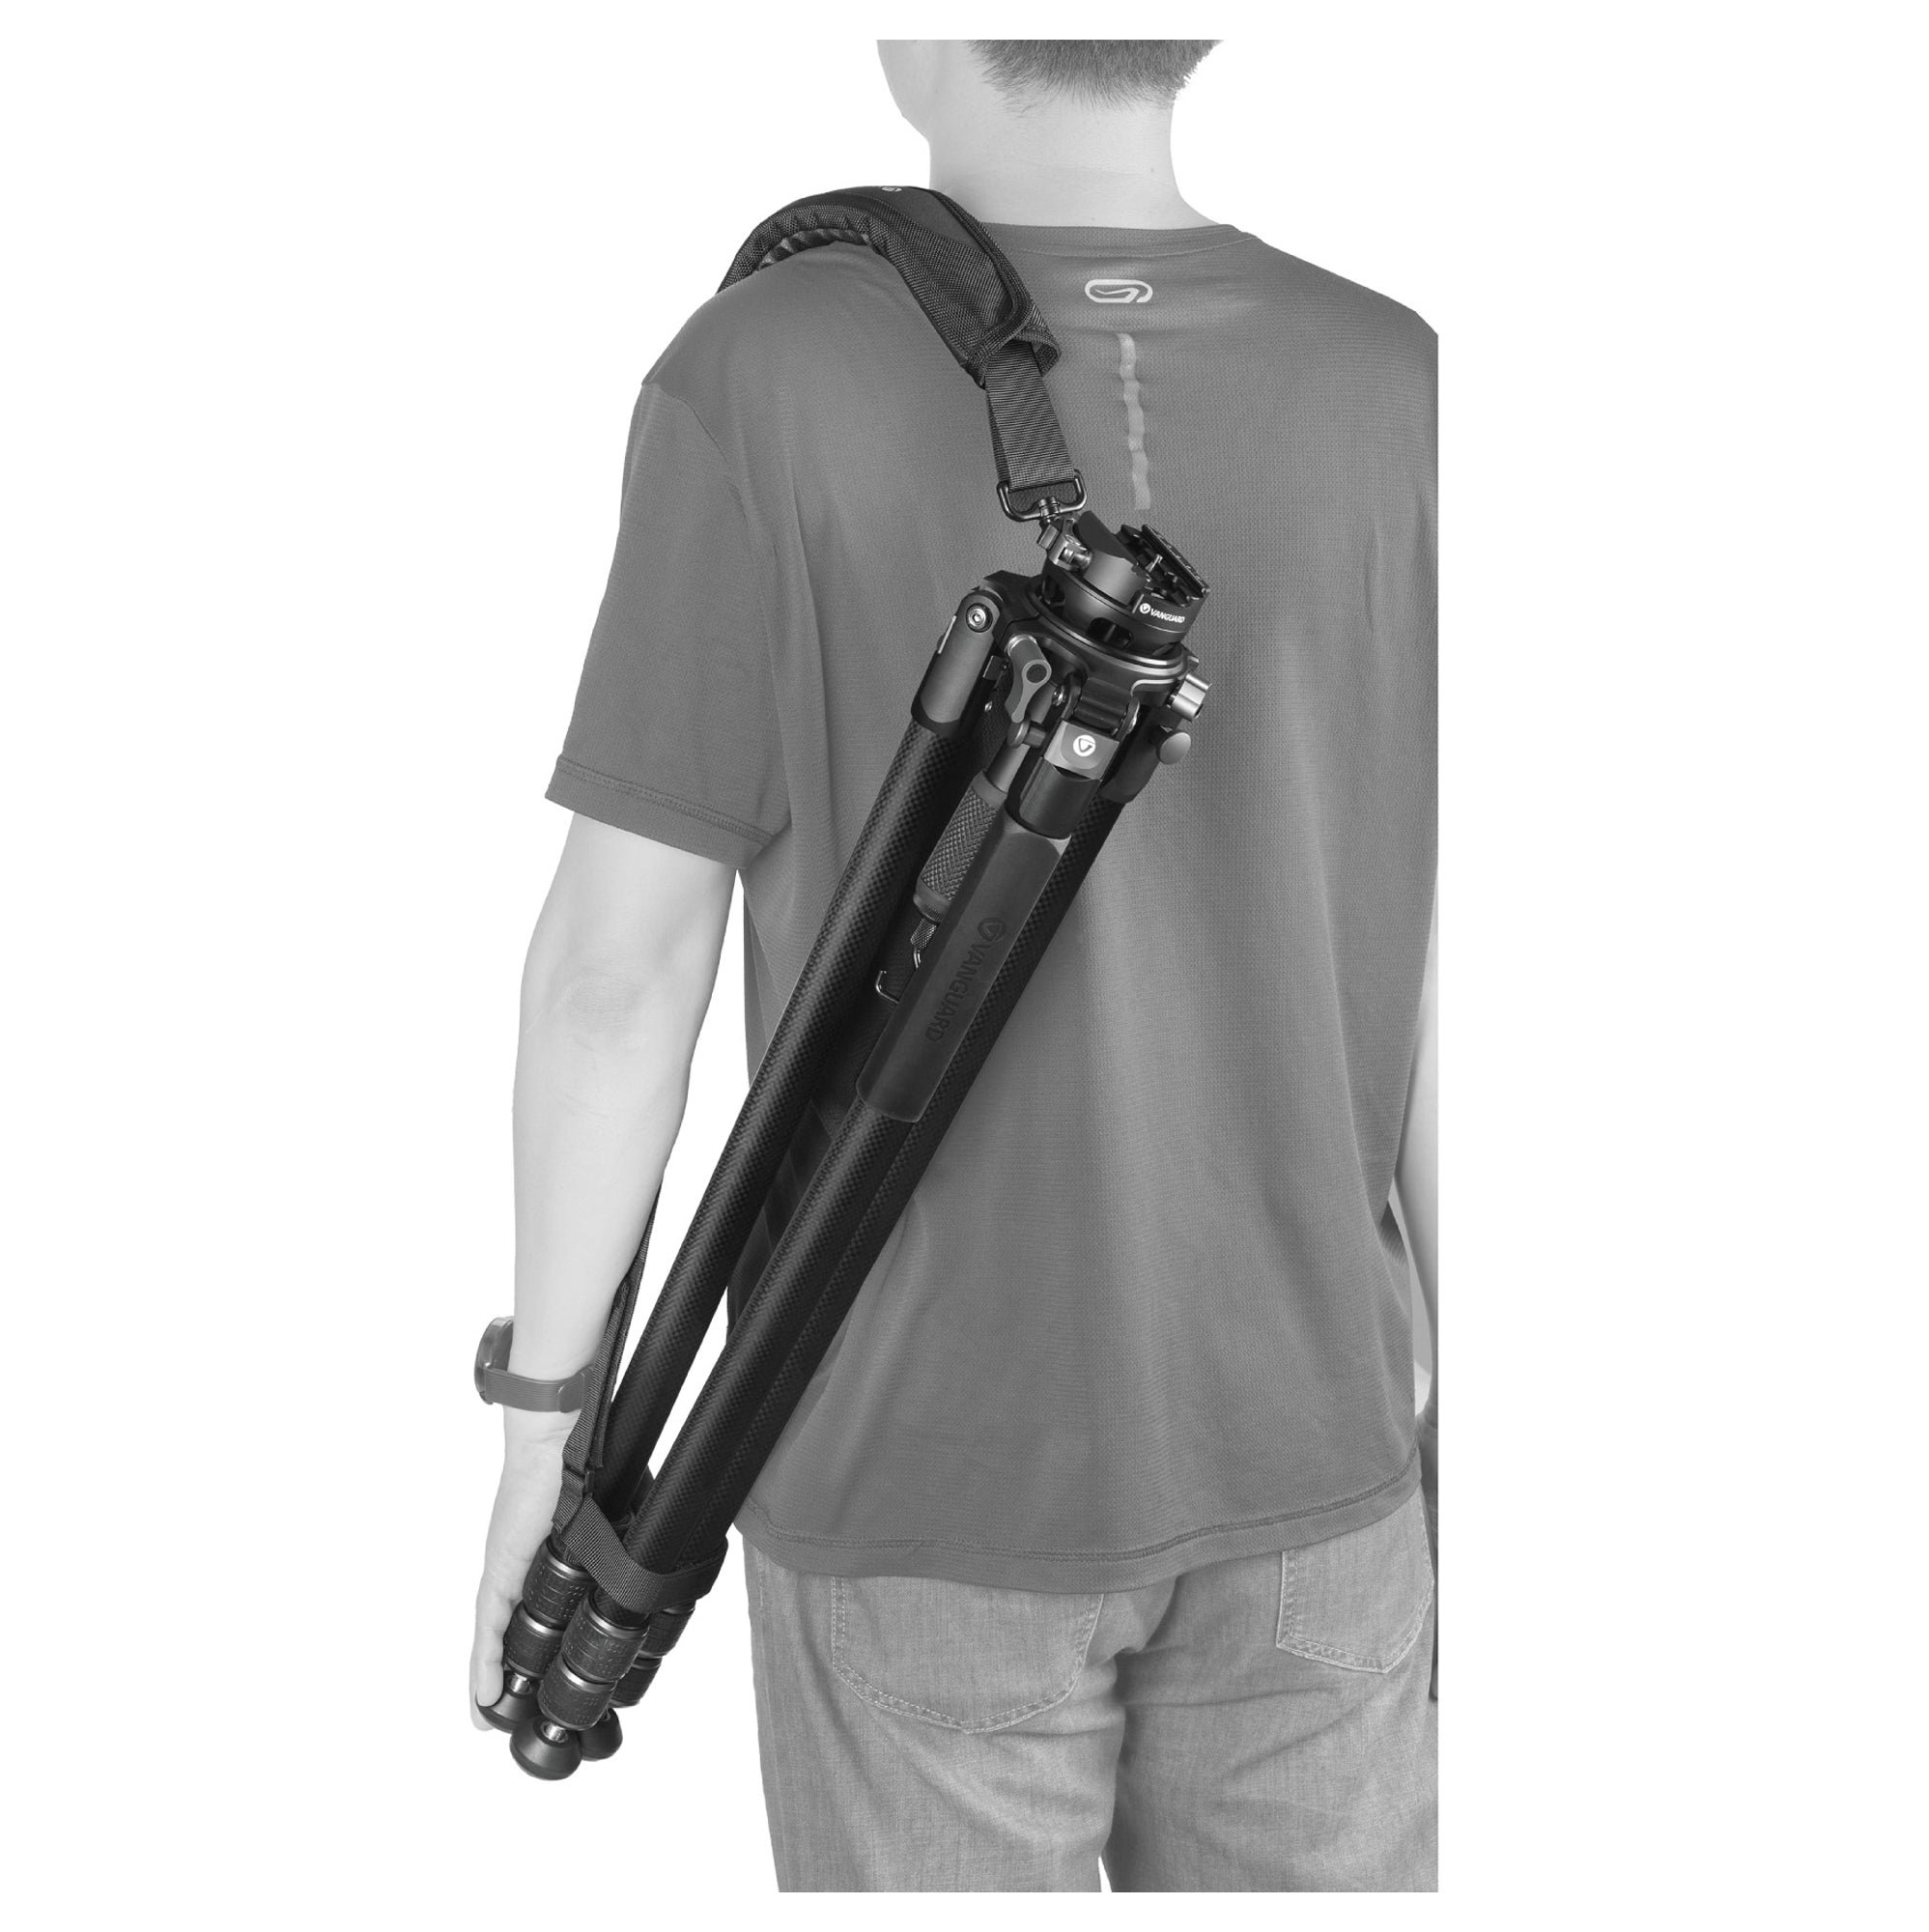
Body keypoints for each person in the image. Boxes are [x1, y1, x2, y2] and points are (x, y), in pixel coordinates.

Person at [470, 37, 1437, 1892]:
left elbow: (618, 972)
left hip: (901, 1461)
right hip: (1318, 1457)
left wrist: (545, 1436)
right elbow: (1440, 953)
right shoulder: (1402, 381)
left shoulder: (761, 372)